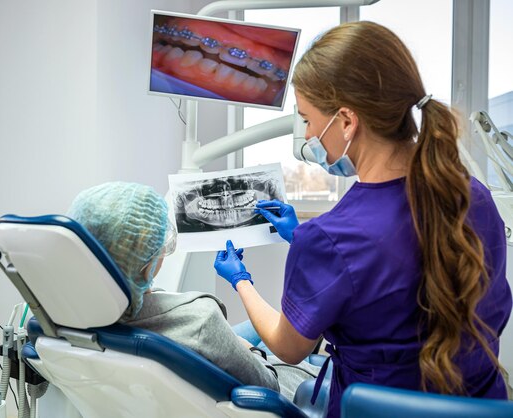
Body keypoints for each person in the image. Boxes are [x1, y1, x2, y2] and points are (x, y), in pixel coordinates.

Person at [214, 21, 512, 418]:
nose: (308, 134)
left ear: (347, 121)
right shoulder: (472, 196)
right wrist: (303, 237)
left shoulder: (330, 238)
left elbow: (288, 347)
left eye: (306, 119)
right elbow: (394, 267)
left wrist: (241, 280)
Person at [67, 181, 318, 400]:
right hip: (274, 390)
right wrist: (247, 349)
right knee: (298, 331)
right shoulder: (201, 319)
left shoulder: (74, 309)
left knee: (262, 324)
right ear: (145, 265)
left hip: (176, 348)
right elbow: (269, 386)